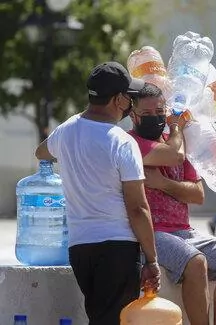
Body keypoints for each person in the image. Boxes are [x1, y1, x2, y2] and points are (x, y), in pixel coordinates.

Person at [35, 62, 160, 325]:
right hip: (118, 248)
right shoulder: (122, 141)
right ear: (118, 100)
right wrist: (152, 259)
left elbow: (41, 152)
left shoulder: (66, 130)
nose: (131, 103)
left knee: (101, 317)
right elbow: (138, 208)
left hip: (80, 248)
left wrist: (81, 121)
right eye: (129, 97)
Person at [127, 83, 216, 325]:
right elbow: (175, 156)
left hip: (185, 231)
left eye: (160, 112)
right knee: (196, 262)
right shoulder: (129, 143)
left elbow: (197, 195)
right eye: (147, 114)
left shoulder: (177, 141)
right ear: (133, 116)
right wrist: (175, 129)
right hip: (151, 233)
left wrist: (162, 183)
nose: (156, 118)